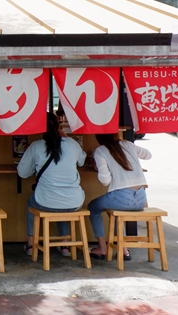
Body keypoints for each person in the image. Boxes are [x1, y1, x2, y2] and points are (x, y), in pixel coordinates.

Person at [17, 112, 87, 256]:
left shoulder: (36, 146)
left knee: (33, 203)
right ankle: (65, 245)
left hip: (45, 201)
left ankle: (31, 244)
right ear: (58, 126)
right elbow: (82, 161)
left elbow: (22, 173)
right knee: (62, 205)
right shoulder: (72, 144)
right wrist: (66, 138)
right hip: (74, 202)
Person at [87, 133, 152, 261]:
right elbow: (148, 155)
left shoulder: (101, 151)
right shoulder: (128, 144)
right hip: (141, 198)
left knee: (93, 208)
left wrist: (100, 168)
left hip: (121, 197)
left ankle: (102, 248)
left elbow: (105, 181)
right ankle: (123, 249)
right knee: (117, 213)